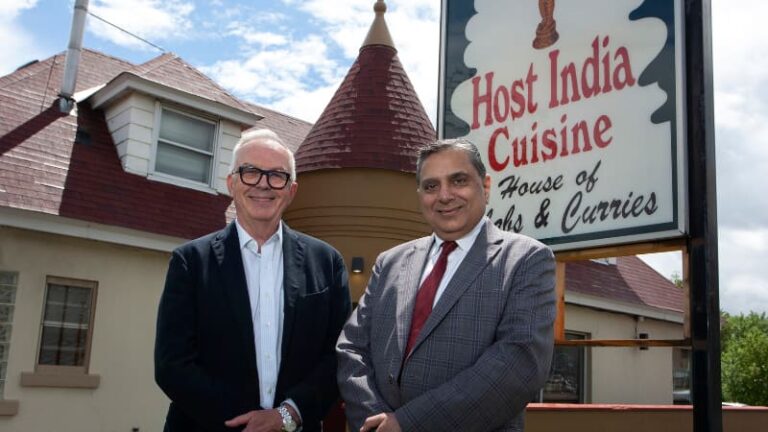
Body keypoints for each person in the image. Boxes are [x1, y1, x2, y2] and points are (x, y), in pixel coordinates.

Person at [336, 139, 556, 432]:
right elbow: (351, 348)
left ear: (486, 186)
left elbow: (518, 365)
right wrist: (375, 421)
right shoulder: (390, 262)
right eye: (430, 186)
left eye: (459, 180)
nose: (444, 195)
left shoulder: (526, 259)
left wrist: (406, 425)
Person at [155, 129, 352, 432]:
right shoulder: (191, 262)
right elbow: (173, 365)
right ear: (232, 183)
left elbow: (338, 357)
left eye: (277, 175)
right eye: (250, 172)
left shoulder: (327, 263)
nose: (263, 183)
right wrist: (251, 423)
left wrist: (286, 416)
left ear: (291, 190)